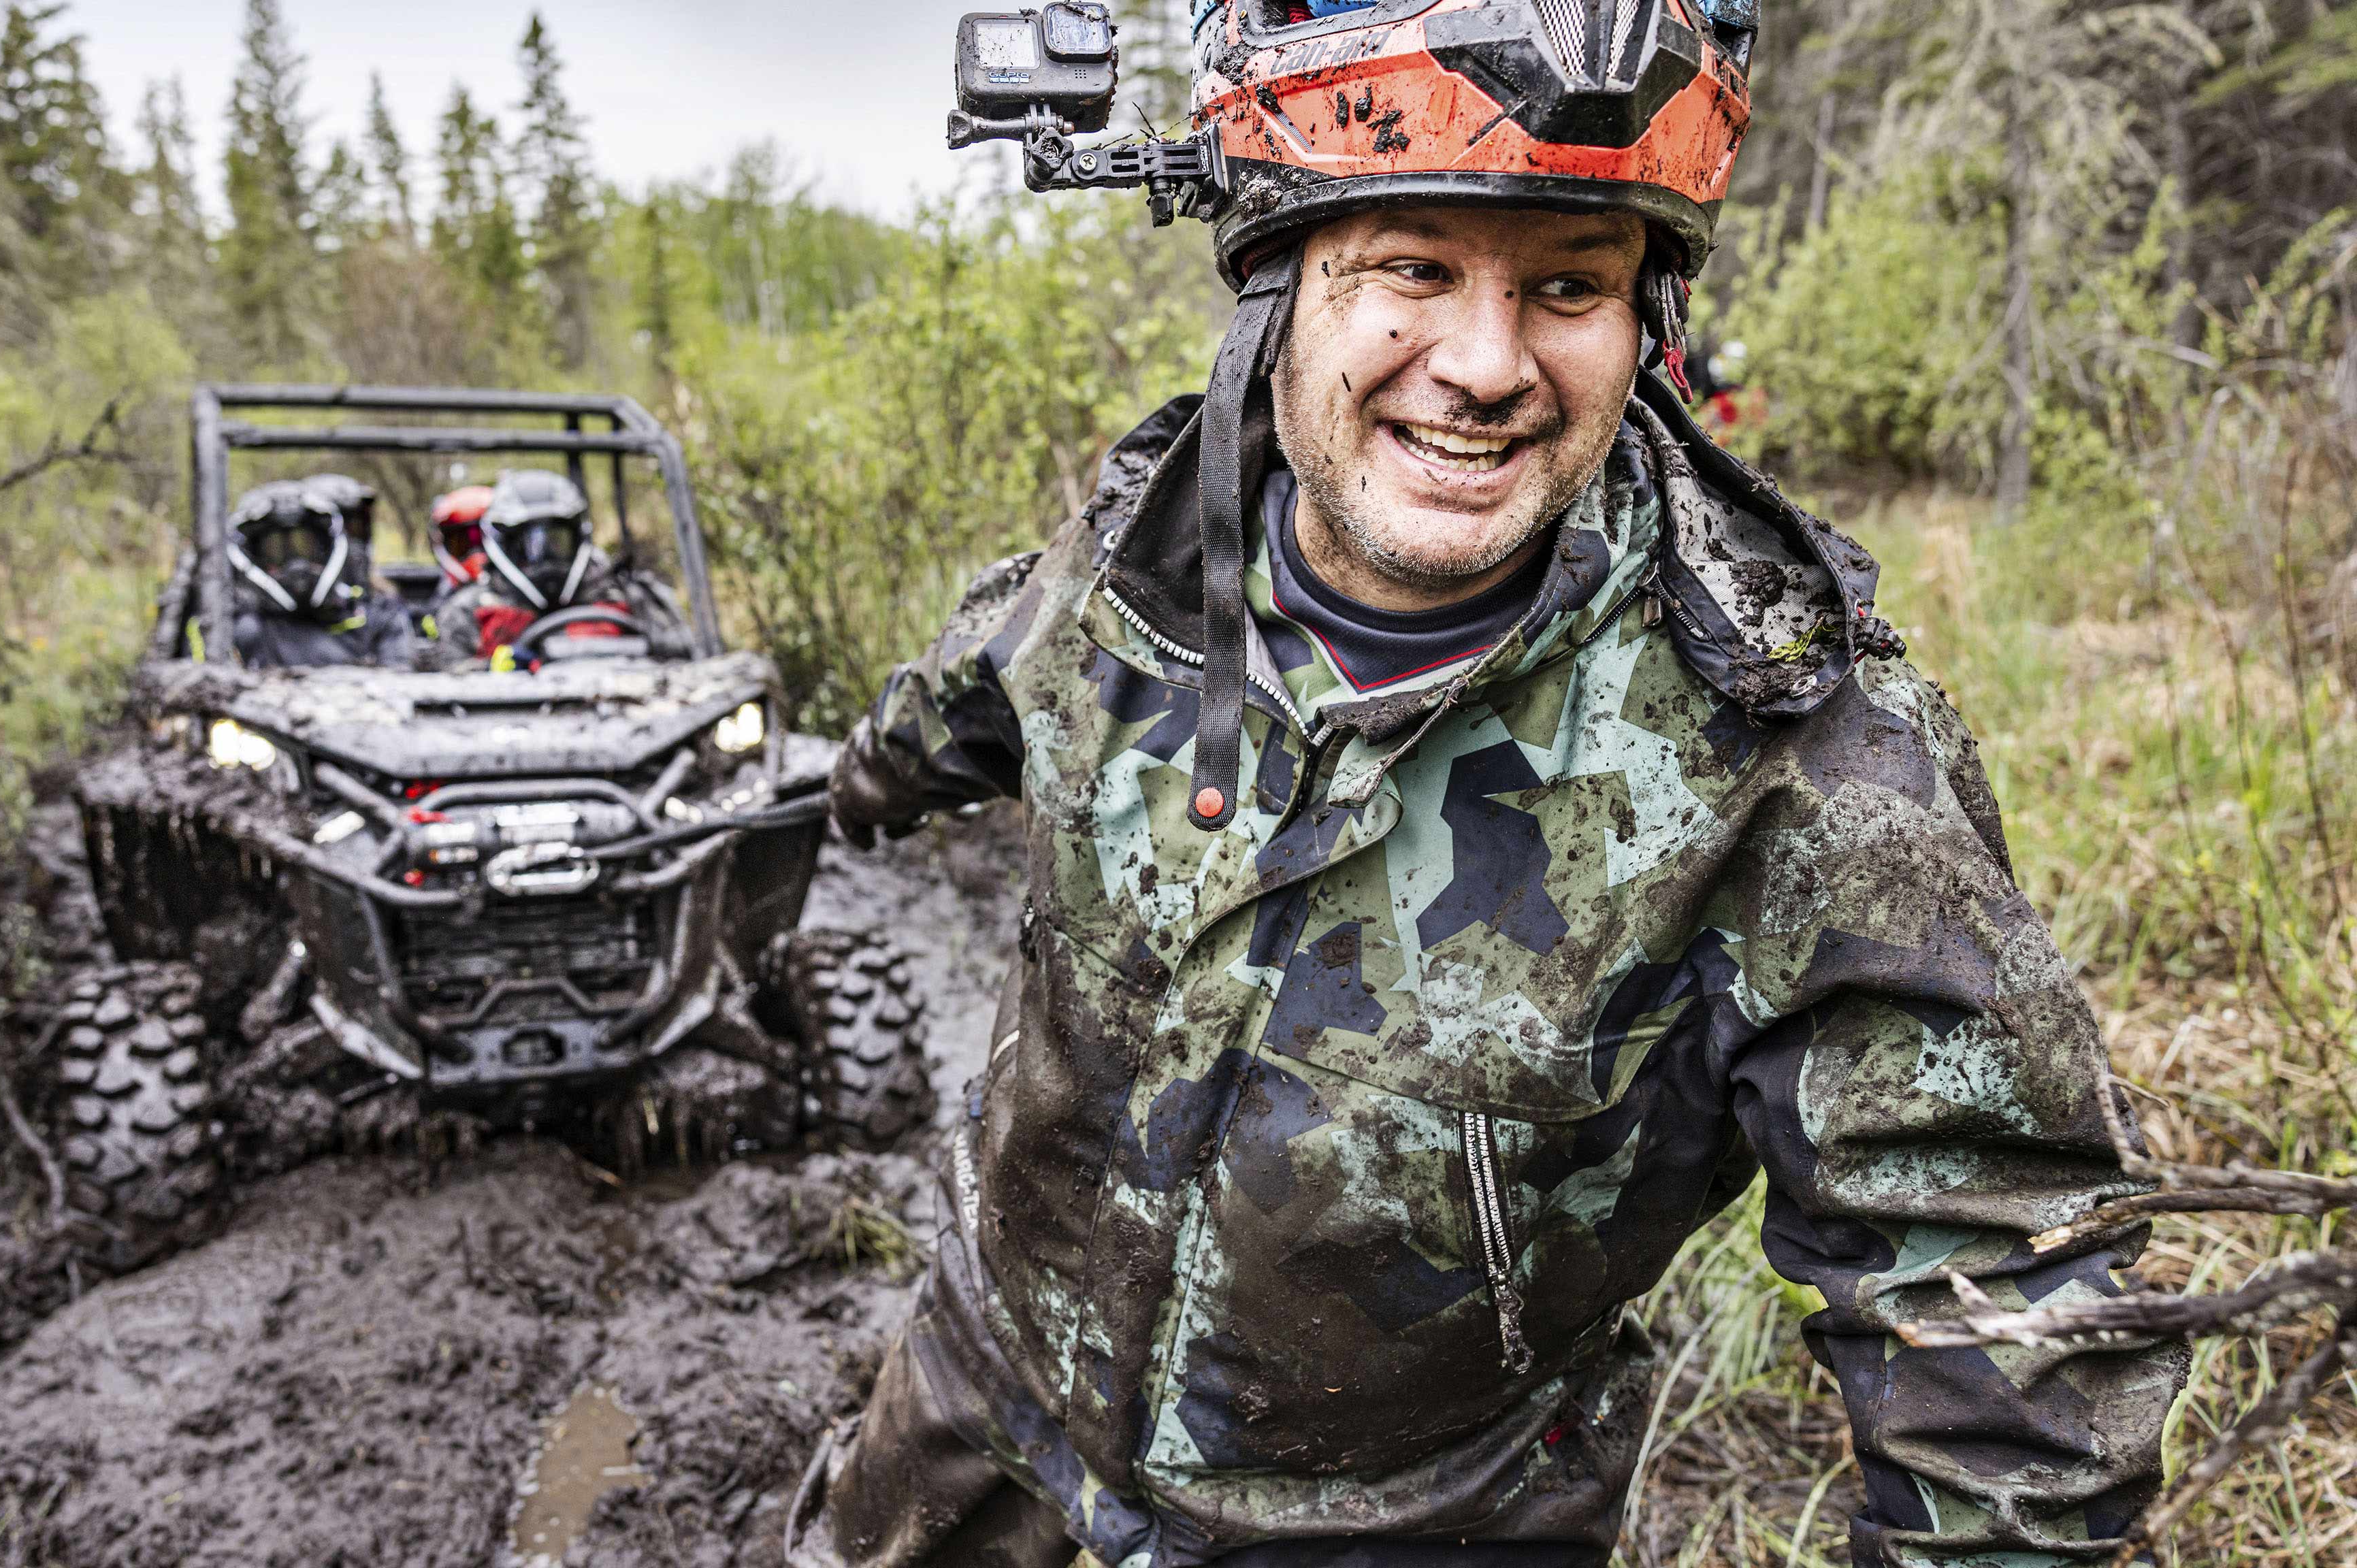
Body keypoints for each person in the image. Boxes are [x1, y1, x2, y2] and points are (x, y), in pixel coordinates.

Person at [791, 3, 2185, 1567]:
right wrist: (840, 794)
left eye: (1568, 285)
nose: (1485, 365)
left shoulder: (1789, 762)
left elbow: (2016, 1350)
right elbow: (953, 704)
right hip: (976, 1425)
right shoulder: (1130, 569)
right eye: (1412, 268)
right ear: (1283, 295)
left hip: (1419, 1526)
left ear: (1642, 321)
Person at [428, 468, 664, 669]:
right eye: (526, 545)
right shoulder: (467, 611)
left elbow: (681, 660)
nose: (544, 558)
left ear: (578, 537)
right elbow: (447, 682)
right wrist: (490, 672)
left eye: (556, 539)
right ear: (504, 544)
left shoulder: (627, 597)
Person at [224, 474, 417, 670]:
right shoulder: (238, 628)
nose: (296, 566)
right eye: (277, 550)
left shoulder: (379, 615)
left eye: (305, 546)